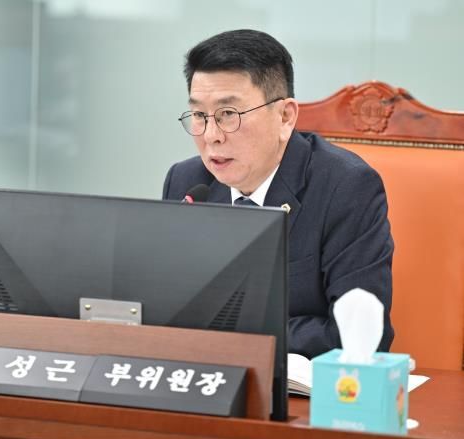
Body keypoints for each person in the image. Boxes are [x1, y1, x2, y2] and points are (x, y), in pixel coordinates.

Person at [162, 29, 394, 359]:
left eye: (228, 114)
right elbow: (170, 309)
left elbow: (359, 336)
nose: (211, 135)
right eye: (199, 116)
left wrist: (231, 334)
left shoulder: (347, 188)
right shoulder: (186, 182)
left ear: (285, 117)